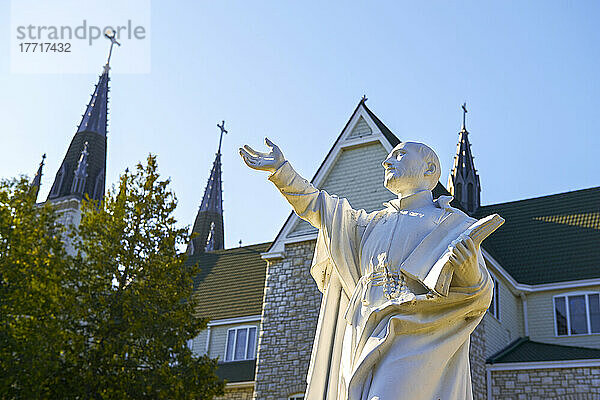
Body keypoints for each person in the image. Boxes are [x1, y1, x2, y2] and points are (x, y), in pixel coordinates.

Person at [240, 138, 494, 400]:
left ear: (429, 169)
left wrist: (469, 271)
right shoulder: (369, 225)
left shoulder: (451, 224)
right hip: (362, 330)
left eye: (400, 155)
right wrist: (283, 172)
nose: (387, 161)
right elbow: (319, 207)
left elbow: (481, 294)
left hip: (415, 333)